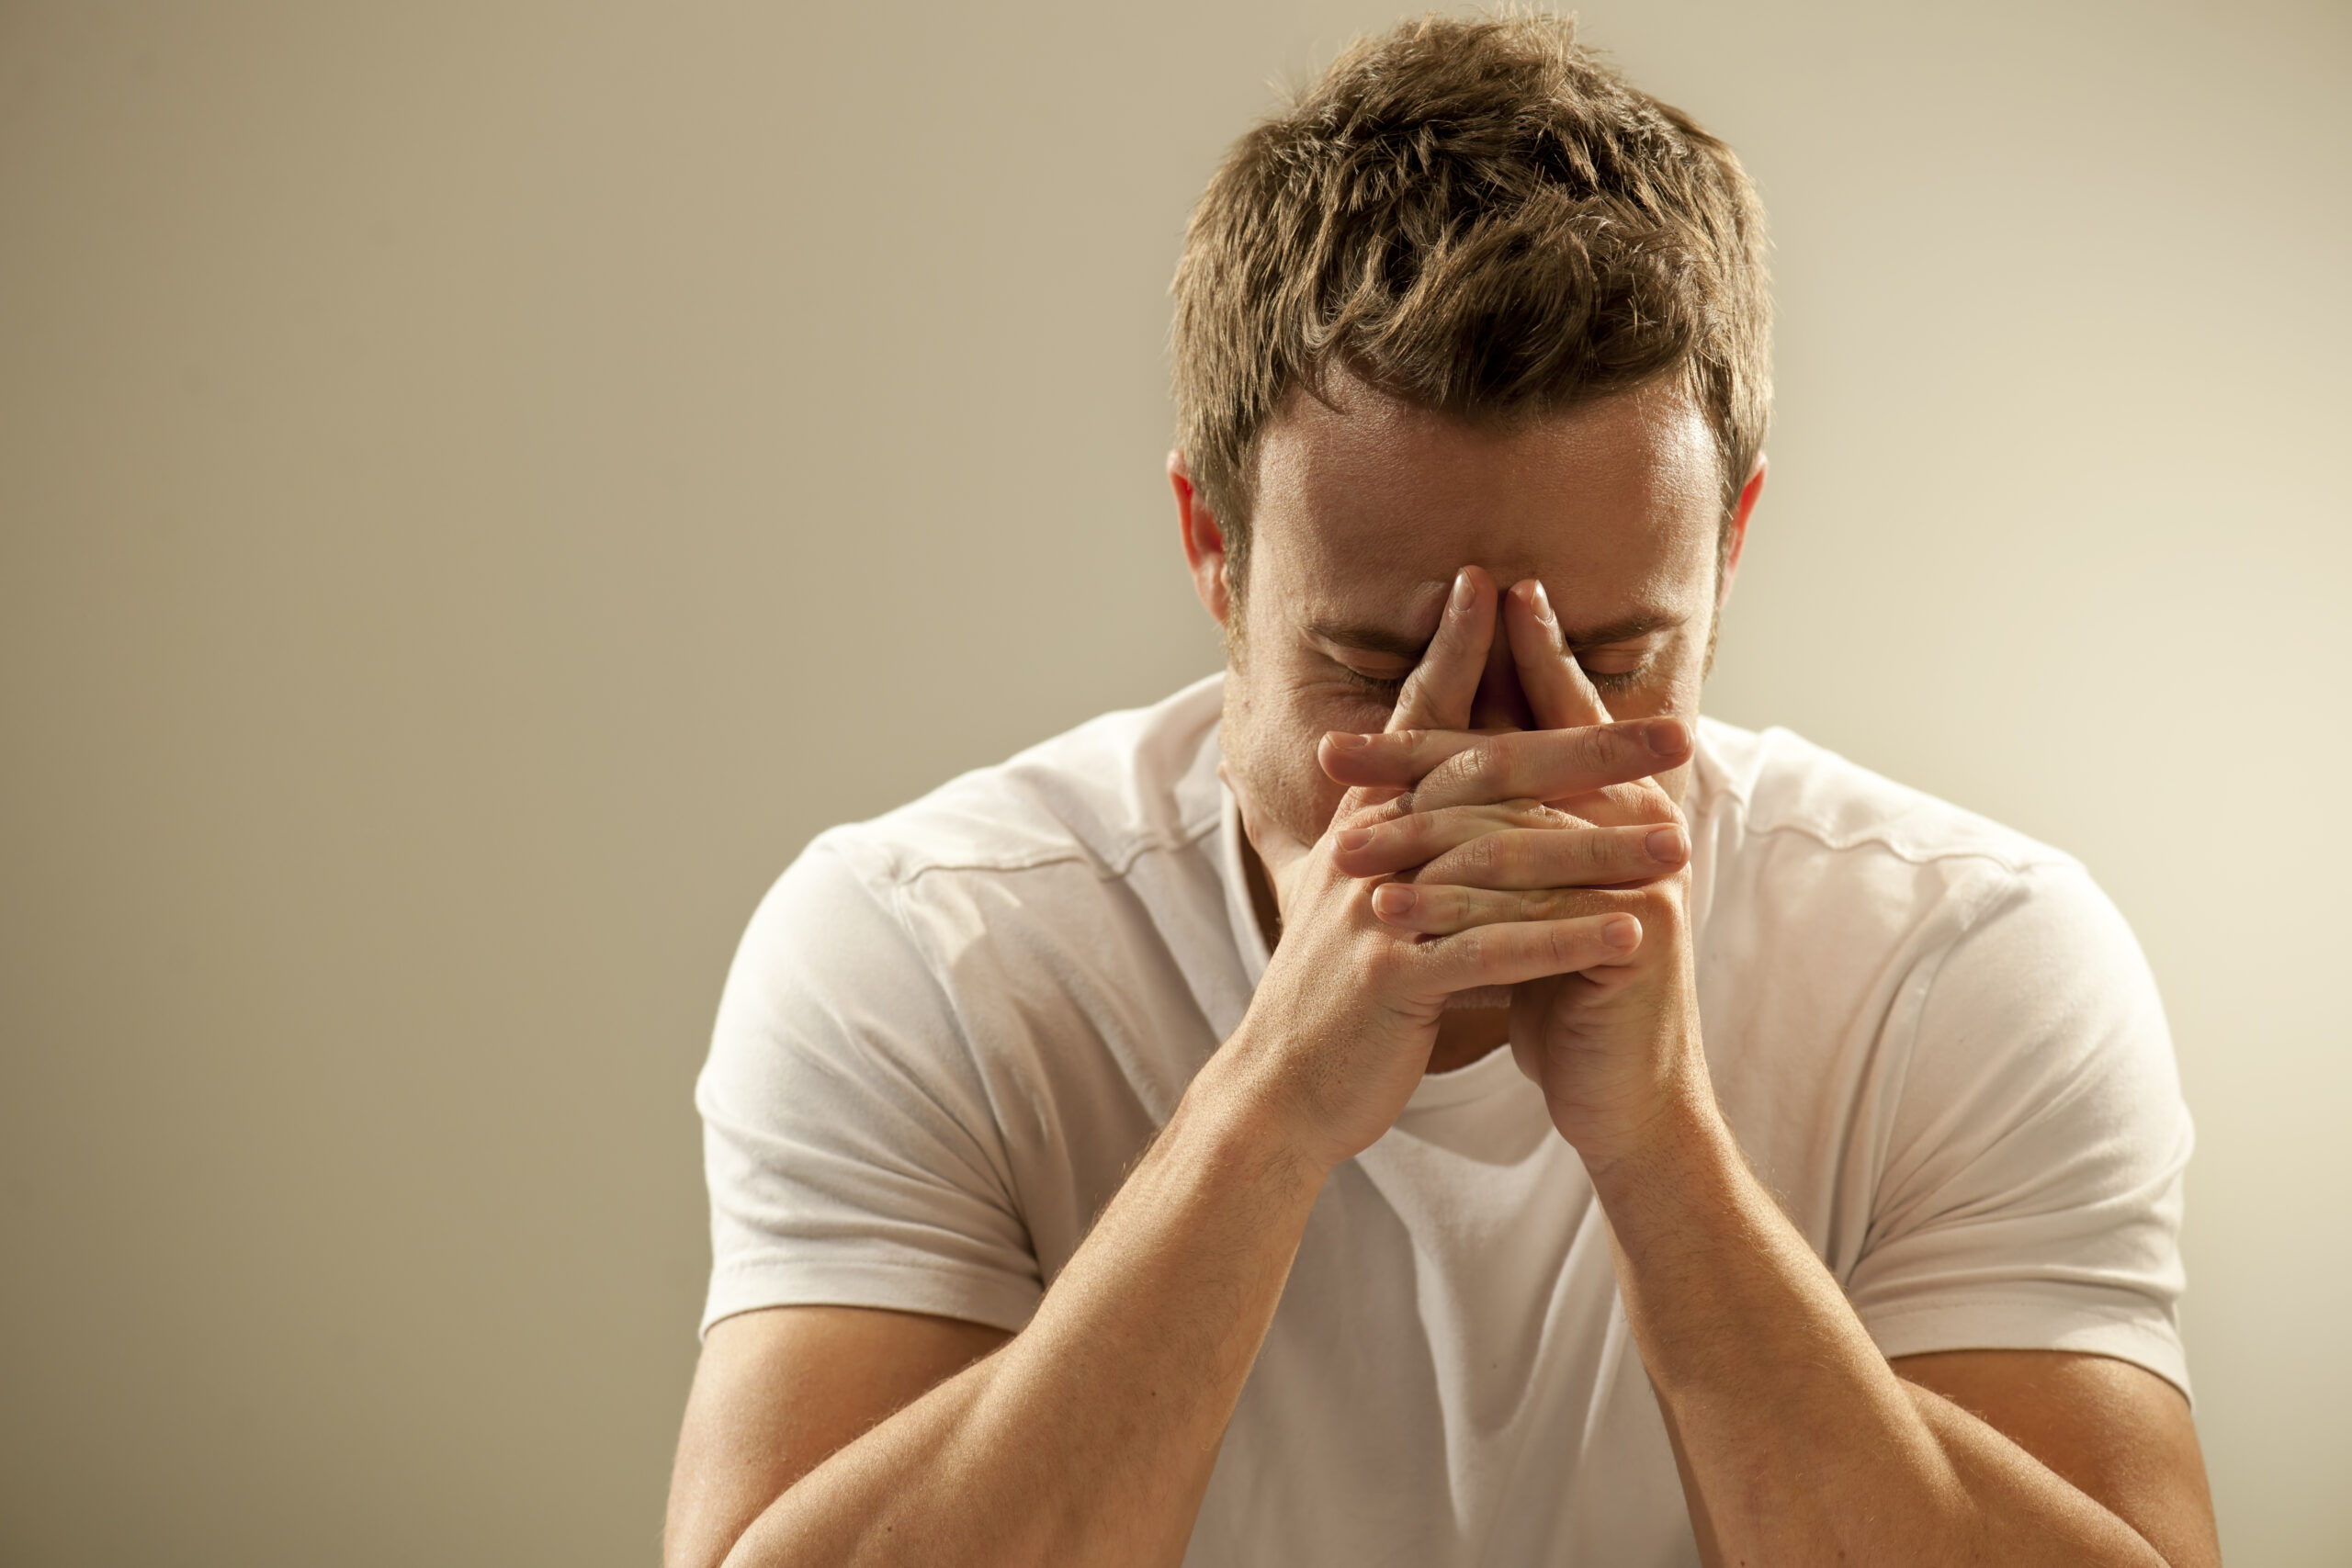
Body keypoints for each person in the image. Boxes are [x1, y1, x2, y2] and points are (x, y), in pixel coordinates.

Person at [662, 14, 2221, 1566]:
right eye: (1374, 664)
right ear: (1214, 544)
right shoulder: (923, 947)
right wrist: (1266, 1112)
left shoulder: (1963, 962)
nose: (1483, 756)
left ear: (1731, 543)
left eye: (1602, 662)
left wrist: (1662, 1147)